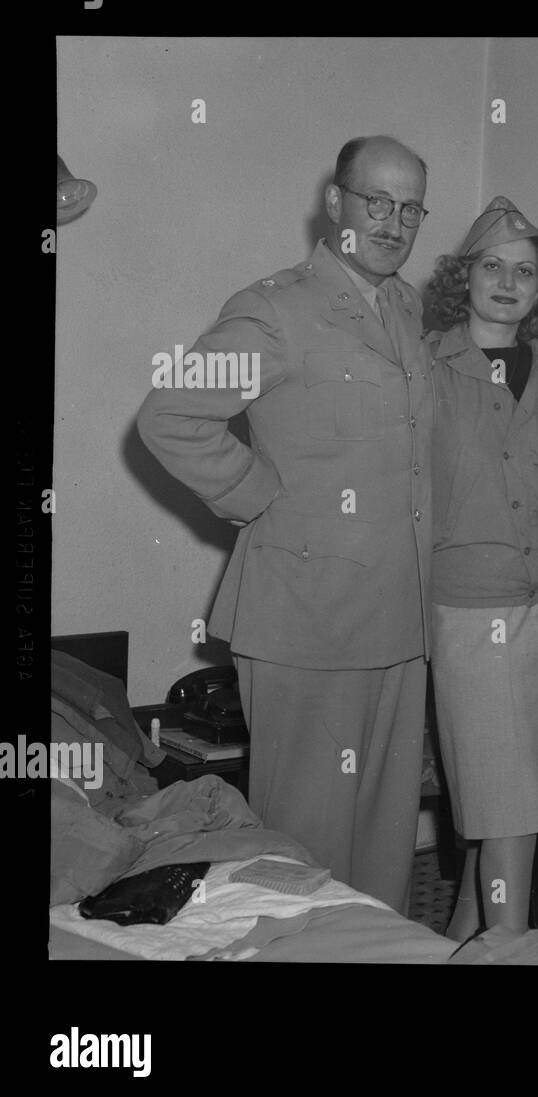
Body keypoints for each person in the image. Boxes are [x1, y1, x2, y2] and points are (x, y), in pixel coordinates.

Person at [136, 135, 434, 913]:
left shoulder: (406, 306)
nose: (393, 223)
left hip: (399, 620)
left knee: (384, 842)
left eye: (410, 208)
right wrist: (259, 496)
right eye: (377, 202)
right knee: (305, 850)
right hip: (307, 619)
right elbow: (170, 415)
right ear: (334, 203)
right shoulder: (275, 309)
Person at [423, 196, 538, 940]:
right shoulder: (425, 366)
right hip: (469, 609)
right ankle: (509, 949)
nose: (507, 282)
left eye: (524, 271)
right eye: (491, 266)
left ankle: (464, 935)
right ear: (465, 277)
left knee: (516, 799)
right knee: (507, 798)